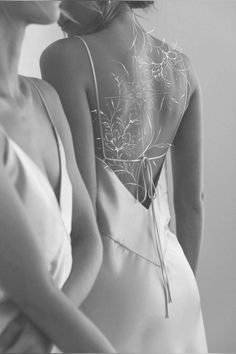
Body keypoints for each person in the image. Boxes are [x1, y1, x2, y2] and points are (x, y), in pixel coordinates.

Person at [40, 0, 208, 353]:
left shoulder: (65, 57)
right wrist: (176, 292)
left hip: (105, 286)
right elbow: (192, 205)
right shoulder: (183, 68)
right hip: (180, 288)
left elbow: (81, 204)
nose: (58, 14)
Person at [0, 1, 115, 352]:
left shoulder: (46, 98)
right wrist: (46, 320)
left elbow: (88, 238)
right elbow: (35, 295)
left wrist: (41, 331)